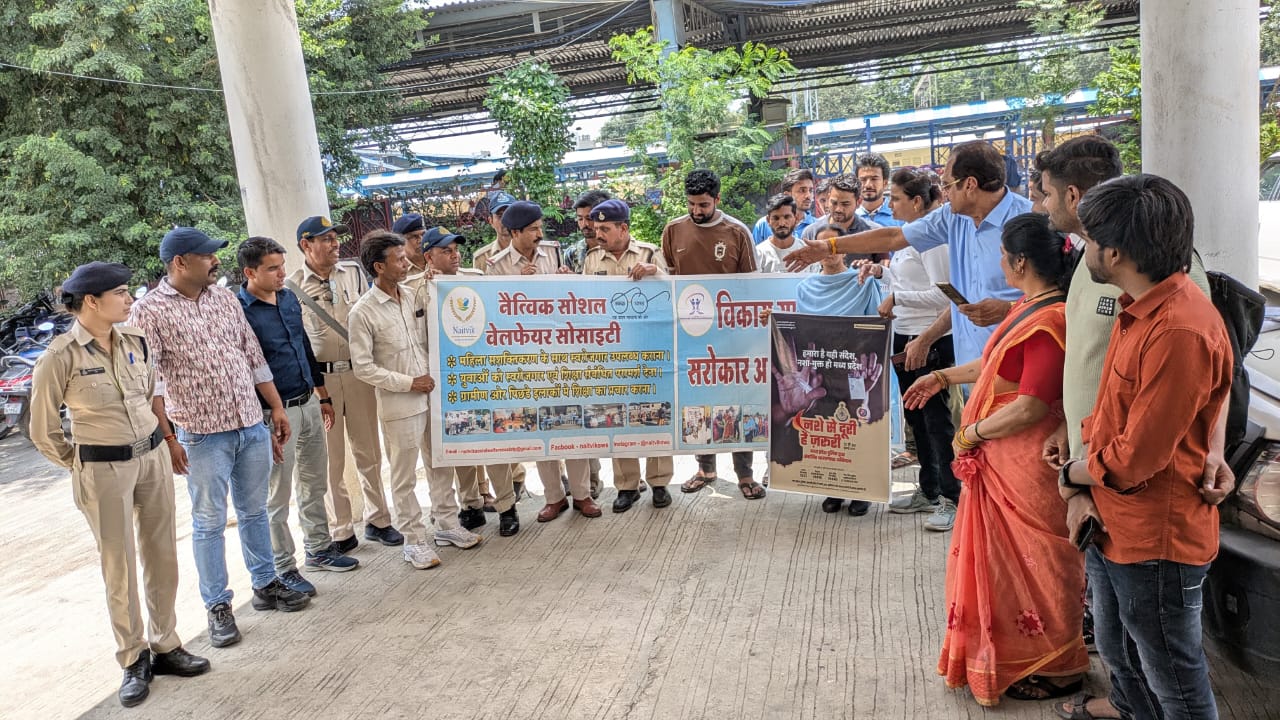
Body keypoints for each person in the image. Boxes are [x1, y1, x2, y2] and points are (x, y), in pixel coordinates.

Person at [1057, 175, 1231, 720]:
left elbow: (1137, 458)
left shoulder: (1179, 329)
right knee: (1119, 650)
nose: (1084, 250)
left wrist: (1073, 475)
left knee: (1174, 679)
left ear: (1115, 252)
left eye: (1089, 240)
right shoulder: (1139, 308)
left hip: (1155, 535)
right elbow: (1114, 411)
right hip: (1114, 518)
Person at [902, 213, 1085, 706]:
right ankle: (1014, 653)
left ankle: (1061, 666)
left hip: (1027, 462)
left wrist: (969, 434)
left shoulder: (1049, 321)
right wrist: (941, 377)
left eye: (1003, 255)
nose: (999, 262)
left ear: (1020, 262)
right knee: (1006, 566)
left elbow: (1031, 405)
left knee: (1039, 563)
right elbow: (995, 364)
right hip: (1005, 459)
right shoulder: (1029, 306)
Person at [30, 262, 210, 708]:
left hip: (151, 457)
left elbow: (148, 396)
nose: (130, 299)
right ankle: (133, 657)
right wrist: (80, 465)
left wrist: (163, 444)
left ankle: (166, 644)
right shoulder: (60, 356)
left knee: (162, 554)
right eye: (121, 293)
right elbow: (43, 430)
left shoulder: (136, 340)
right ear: (91, 301)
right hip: (102, 468)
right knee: (120, 565)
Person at [129, 227, 310, 649]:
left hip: (249, 423)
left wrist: (275, 408)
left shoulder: (224, 299)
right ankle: (218, 606)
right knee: (209, 522)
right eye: (207, 255)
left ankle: (265, 584)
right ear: (180, 263)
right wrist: (169, 437)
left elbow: (252, 356)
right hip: (200, 433)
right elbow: (151, 382)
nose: (215, 261)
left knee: (254, 511)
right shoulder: (148, 311)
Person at [787, 141, 1029, 366]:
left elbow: (1050, 295)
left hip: (1018, 357)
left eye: (947, 185)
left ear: (970, 185)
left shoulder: (1028, 222)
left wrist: (1009, 309)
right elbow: (894, 238)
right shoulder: (952, 218)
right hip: (970, 361)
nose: (944, 194)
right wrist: (830, 246)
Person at [348, 230, 483, 569]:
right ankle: (414, 540)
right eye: (399, 259)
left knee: (440, 462)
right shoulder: (363, 312)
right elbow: (363, 368)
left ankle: (447, 524)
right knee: (405, 475)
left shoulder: (412, 296)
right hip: (401, 402)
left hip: (432, 394)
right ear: (379, 267)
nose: (407, 262)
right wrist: (409, 382)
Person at [237, 237, 359, 599]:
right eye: (272, 269)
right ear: (250, 272)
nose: (281, 274)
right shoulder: (239, 312)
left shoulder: (288, 298)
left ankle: (318, 549)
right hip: (273, 415)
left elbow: (303, 347)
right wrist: (264, 416)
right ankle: (283, 567)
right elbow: (245, 369)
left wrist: (322, 395)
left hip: (308, 403)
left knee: (314, 482)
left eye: (281, 266)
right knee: (276, 495)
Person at [289, 216, 400, 552]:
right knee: (330, 458)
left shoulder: (352, 273)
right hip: (322, 382)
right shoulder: (292, 286)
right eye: (325, 239)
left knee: (369, 451)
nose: (335, 244)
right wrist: (314, 386)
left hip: (358, 375)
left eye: (335, 238)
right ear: (306, 245)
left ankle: (379, 519)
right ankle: (341, 529)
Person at [484, 201, 600, 520]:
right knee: (541, 427)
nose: (539, 234)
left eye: (540, 227)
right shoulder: (497, 266)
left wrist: (566, 279)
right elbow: (495, 313)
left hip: (562, 354)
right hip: (526, 360)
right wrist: (519, 285)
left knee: (572, 422)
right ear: (515, 233)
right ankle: (554, 497)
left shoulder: (553, 252)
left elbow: (570, 300)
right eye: (533, 229)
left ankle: (582, 495)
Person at [859, 167, 960, 532]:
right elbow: (908, 281)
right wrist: (881, 274)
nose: (890, 204)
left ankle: (951, 498)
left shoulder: (932, 241)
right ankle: (929, 490)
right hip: (904, 335)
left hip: (928, 339)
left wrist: (897, 298)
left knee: (936, 422)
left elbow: (945, 295)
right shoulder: (910, 236)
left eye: (896, 198)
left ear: (917, 202)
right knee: (917, 420)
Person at [661, 169, 764, 500]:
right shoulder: (673, 230)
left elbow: (751, 288)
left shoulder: (737, 232)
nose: (696, 211)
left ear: (717, 199)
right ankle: (705, 468)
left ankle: (745, 474)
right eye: (691, 204)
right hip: (691, 334)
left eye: (703, 204)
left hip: (732, 335)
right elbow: (670, 280)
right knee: (698, 402)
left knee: (737, 401)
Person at [774, 224, 889, 516]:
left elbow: (876, 327)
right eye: (820, 246)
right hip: (821, 372)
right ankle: (833, 488)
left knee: (857, 425)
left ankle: (861, 490)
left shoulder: (862, 281)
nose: (827, 253)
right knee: (827, 430)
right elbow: (802, 331)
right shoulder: (805, 287)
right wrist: (773, 320)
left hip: (856, 370)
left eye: (833, 246)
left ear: (844, 249)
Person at [420, 227, 521, 537]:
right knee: (459, 441)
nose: (455, 255)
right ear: (429, 257)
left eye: (455, 250)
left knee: (491, 442)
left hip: (480, 373)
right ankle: (471, 505)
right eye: (446, 251)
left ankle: (507, 506)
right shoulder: (416, 288)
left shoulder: (475, 278)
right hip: (445, 379)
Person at [582, 198, 674, 512]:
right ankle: (627, 485)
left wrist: (655, 272)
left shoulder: (649, 253)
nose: (598, 234)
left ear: (623, 228)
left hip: (649, 348)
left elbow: (673, 290)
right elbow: (584, 302)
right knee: (618, 415)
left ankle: (659, 483)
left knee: (656, 412)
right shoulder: (592, 259)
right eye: (596, 229)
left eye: (605, 229)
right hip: (612, 352)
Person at [754, 194, 819, 273]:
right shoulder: (758, 254)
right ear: (768, 220)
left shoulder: (808, 254)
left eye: (787, 217)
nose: (781, 223)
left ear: (796, 218)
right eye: (776, 218)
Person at [752, 168, 818, 243]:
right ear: (787, 194)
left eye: (811, 190)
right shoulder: (764, 225)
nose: (808, 195)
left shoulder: (817, 226)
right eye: (802, 190)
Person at [564, 189, 612, 273]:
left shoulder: (616, 250)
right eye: (580, 219)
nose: (584, 224)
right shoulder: (571, 253)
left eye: (589, 218)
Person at [855, 152, 903, 227]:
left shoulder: (901, 216)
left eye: (874, 179)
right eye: (863, 179)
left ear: (885, 183)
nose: (868, 185)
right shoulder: (848, 216)